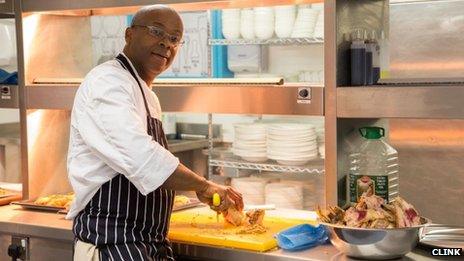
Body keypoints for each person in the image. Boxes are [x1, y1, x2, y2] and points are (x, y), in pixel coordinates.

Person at [66, 5, 243, 261]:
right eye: (156, 31)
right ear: (129, 35)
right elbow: (140, 156)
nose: (166, 44)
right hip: (112, 242)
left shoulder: (144, 92)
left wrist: (198, 188)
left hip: (145, 241)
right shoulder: (107, 82)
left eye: (174, 39)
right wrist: (202, 185)